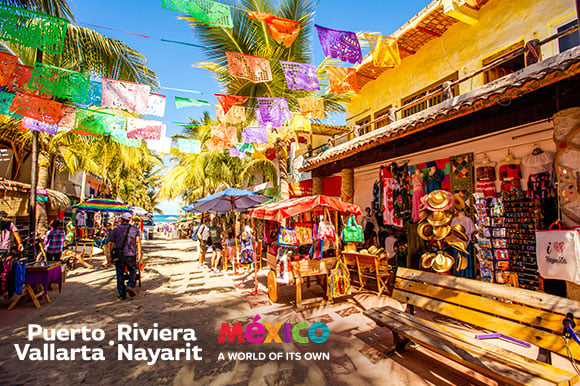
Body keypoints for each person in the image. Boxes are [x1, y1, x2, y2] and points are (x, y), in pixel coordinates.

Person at [108, 212, 141, 300]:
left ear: (121, 219)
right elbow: (138, 241)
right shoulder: (135, 229)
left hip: (119, 255)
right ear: (130, 220)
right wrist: (139, 253)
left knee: (120, 274)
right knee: (133, 270)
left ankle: (122, 294)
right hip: (131, 254)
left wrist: (110, 255)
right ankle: (130, 284)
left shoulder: (115, 229)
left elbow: (111, 243)